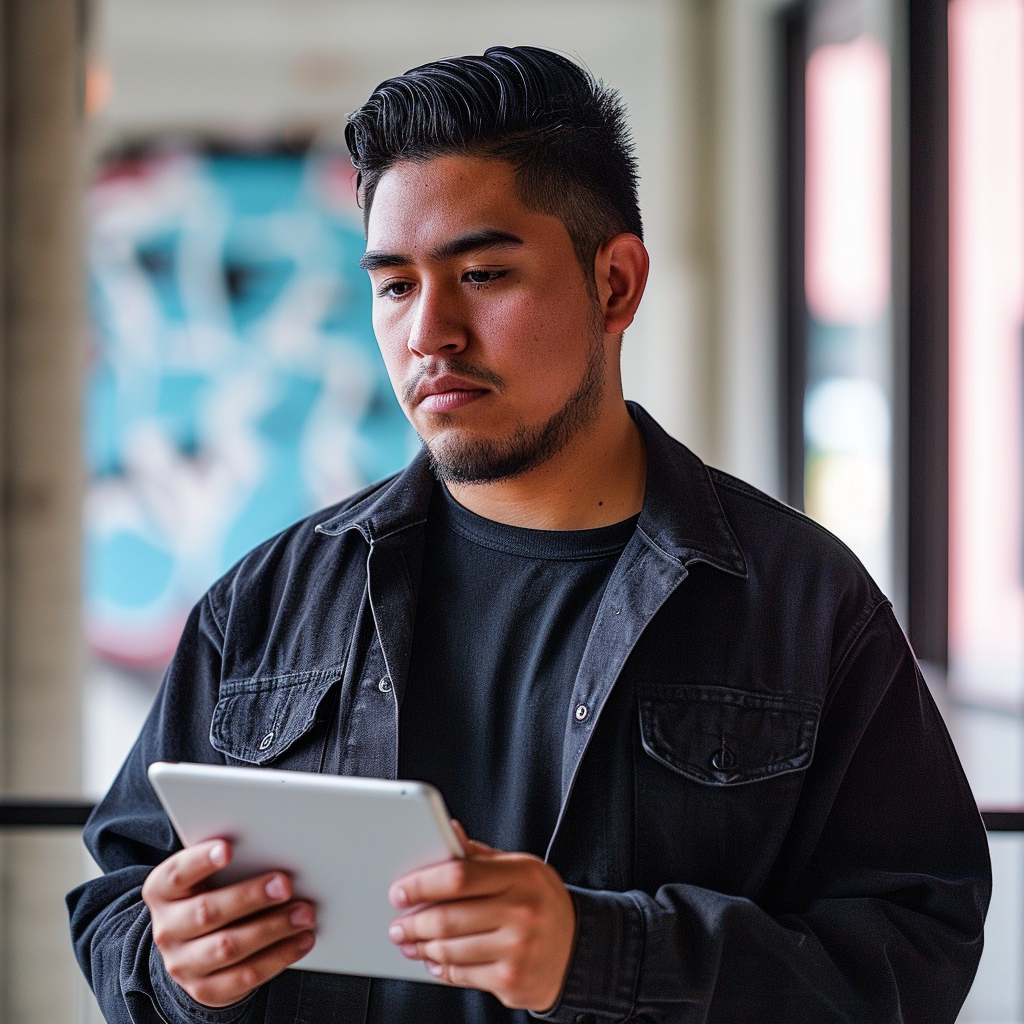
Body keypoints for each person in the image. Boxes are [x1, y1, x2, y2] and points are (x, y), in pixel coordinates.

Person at [68, 45, 990, 1024]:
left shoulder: (802, 601)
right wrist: (172, 968)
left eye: (483, 271)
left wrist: (602, 955)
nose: (430, 333)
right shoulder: (267, 599)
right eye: (394, 285)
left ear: (616, 284)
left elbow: (914, 955)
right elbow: (117, 906)